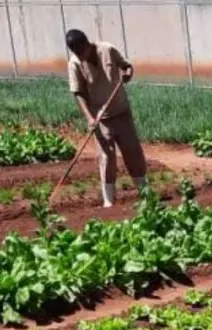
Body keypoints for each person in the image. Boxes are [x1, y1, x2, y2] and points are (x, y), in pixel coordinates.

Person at [65, 29, 147, 208]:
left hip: (122, 112)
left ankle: (145, 193)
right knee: (106, 157)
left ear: (88, 44)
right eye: (76, 53)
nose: (81, 56)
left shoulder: (107, 50)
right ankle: (109, 201)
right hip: (100, 118)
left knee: (132, 152)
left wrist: (128, 74)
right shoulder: (75, 64)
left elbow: (127, 66)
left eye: (82, 51)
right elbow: (78, 93)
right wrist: (89, 118)